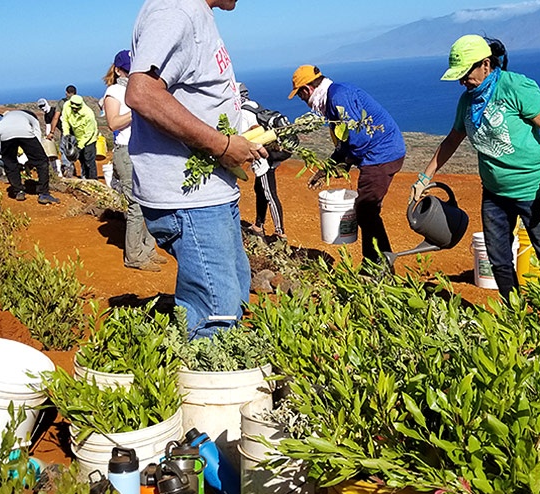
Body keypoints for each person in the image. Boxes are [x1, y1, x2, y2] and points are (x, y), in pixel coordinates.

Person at [126, 0, 268, 339]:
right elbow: (142, 93)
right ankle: (201, 388)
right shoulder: (176, 12)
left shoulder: (192, 13)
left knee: (232, 297)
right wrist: (221, 145)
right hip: (191, 200)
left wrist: (236, 141)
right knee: (215, 314)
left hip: (209, 196)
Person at [415, 35, 540, 300]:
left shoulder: (515, 87)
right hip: (495, 194)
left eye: (466, 74)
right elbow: (452, 139)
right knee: (498, 260)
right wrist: (425, 177)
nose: (463, 82)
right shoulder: (467, 101)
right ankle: (514, 312)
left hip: (532, 189)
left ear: (485, 64)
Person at [288, 64, 406, 262]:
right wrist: (326, 169)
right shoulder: (335, 95)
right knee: (367, 210)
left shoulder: (338, 97)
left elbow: (358, 140)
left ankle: (378, 264)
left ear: (307, 89)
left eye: (301, 96)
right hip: (381, 154)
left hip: (381, 156)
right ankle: (377, 262)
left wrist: (346, 162)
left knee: (366, 210)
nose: (305, 102)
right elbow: (345, 144)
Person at [102, 50, 165, 272]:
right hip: (125, 151)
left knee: (149, 201)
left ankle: (148, 249)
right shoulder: (114, 91)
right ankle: (134, 255)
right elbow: (113, 123)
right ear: (118, 70)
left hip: (143, 149)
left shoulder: (136, 89)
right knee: (136, 204)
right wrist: (138, 109)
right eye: (128, 70)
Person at [239, 83, 287, 239]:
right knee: (260, 190)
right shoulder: (254, 105)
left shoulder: (244, 112)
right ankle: (259, 225)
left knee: (269, 194)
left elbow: (254, 129)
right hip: (270, 155)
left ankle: (280, 233)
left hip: (263, 160)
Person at [0, 110, 60, 204]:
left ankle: (18, 191)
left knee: (10, 163)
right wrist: (34, 156)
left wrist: (5, 156)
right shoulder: (30, 116)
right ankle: (44, 194)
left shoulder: (3, 120)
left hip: (5, 135)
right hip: (24, 132)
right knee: (42, 161)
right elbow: (37, 133)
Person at [60, 94, 98, 179]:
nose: (74, 108)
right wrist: (66, 134)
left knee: (88, 161)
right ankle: (84, 178)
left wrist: (80, 146)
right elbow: (65, 120)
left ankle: (93, 180)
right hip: (77, 136)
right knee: (81, 159)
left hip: (89, 139)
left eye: (76, 106)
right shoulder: (66, 106)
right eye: (72, 105)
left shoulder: (88, 114)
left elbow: (89, 133)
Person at [55, 86, 78, 177]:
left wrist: (52, 131)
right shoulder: (79, 101)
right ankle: (73, 167)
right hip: (78, 130)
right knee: (76, 149)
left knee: (65, 149)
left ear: (66, 92)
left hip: (66, 130)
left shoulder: (62, 103)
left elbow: (56, 117)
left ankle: (67, 168)